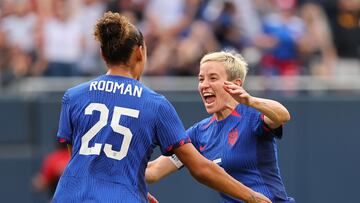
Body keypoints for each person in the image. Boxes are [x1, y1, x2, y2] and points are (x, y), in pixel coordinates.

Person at [52, 11, 271, 203]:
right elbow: (201, 168)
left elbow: (80, 162)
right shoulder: (155, 105)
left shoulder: (73, 97)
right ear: (140, 52)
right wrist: (251, 197)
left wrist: (138, 187)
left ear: (102, 55)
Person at [146, 50, 295, 203]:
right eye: (201, 79)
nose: (204, 85)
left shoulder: (251, 115)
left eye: (213, 78)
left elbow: (283, 115)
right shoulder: (199, 133)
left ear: (235, 84)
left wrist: (251, 101)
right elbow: (153, 171)